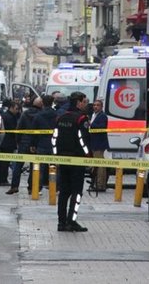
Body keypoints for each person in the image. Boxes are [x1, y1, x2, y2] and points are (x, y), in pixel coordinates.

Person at [52, 91, 91, 232]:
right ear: (78, 102)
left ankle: (61, 222)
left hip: (63, 159)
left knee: (64, 192)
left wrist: (56, 156)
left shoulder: (60, 117)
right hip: (77, 160)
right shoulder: (81, 118)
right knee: (77, 192)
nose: (86, 104)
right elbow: (83, 140)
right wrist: (88, 156)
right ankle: (71, 221)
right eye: (84, 102)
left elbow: (54, 138)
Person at [6, 97, 40, 195]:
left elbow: (19, 127)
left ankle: (14, 186)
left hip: (24, 142)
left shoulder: (25, 114)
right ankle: (31, 188)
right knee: (34, 165)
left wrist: (18, 141)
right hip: (36, 143)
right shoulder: (40, 115)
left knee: (18, 165)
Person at [31, 94, 57, 188]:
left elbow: (34, 131)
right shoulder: (56, 115)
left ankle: (38, 187)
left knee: (39, 167)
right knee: (53, 167)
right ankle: (53, 185)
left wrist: (33, 144)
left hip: (41, 143)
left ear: (42, 103)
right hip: (53, 144)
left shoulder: (38, 115)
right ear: (52, 103)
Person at [89, 99, 110, 192]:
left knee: (100, 165)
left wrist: (91, 124)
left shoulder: (102, 116)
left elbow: (102, 127)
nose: (95, 107)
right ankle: (97, 183)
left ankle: (100, 184)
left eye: (97, 105)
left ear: (101, 107)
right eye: (94, 105)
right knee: (97, 164)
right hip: (94, 142)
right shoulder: (93, 115)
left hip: (99, 143)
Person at [0, 99, 19, 186]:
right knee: (5, 163)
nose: (17, 111)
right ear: (11, 108)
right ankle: (2, 180)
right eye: (16, 109)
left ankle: (2, 179)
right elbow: (13, 129)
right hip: (8, 142)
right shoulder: (9, 117)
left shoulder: (6, 115)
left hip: (5, 141)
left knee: (4, 162)